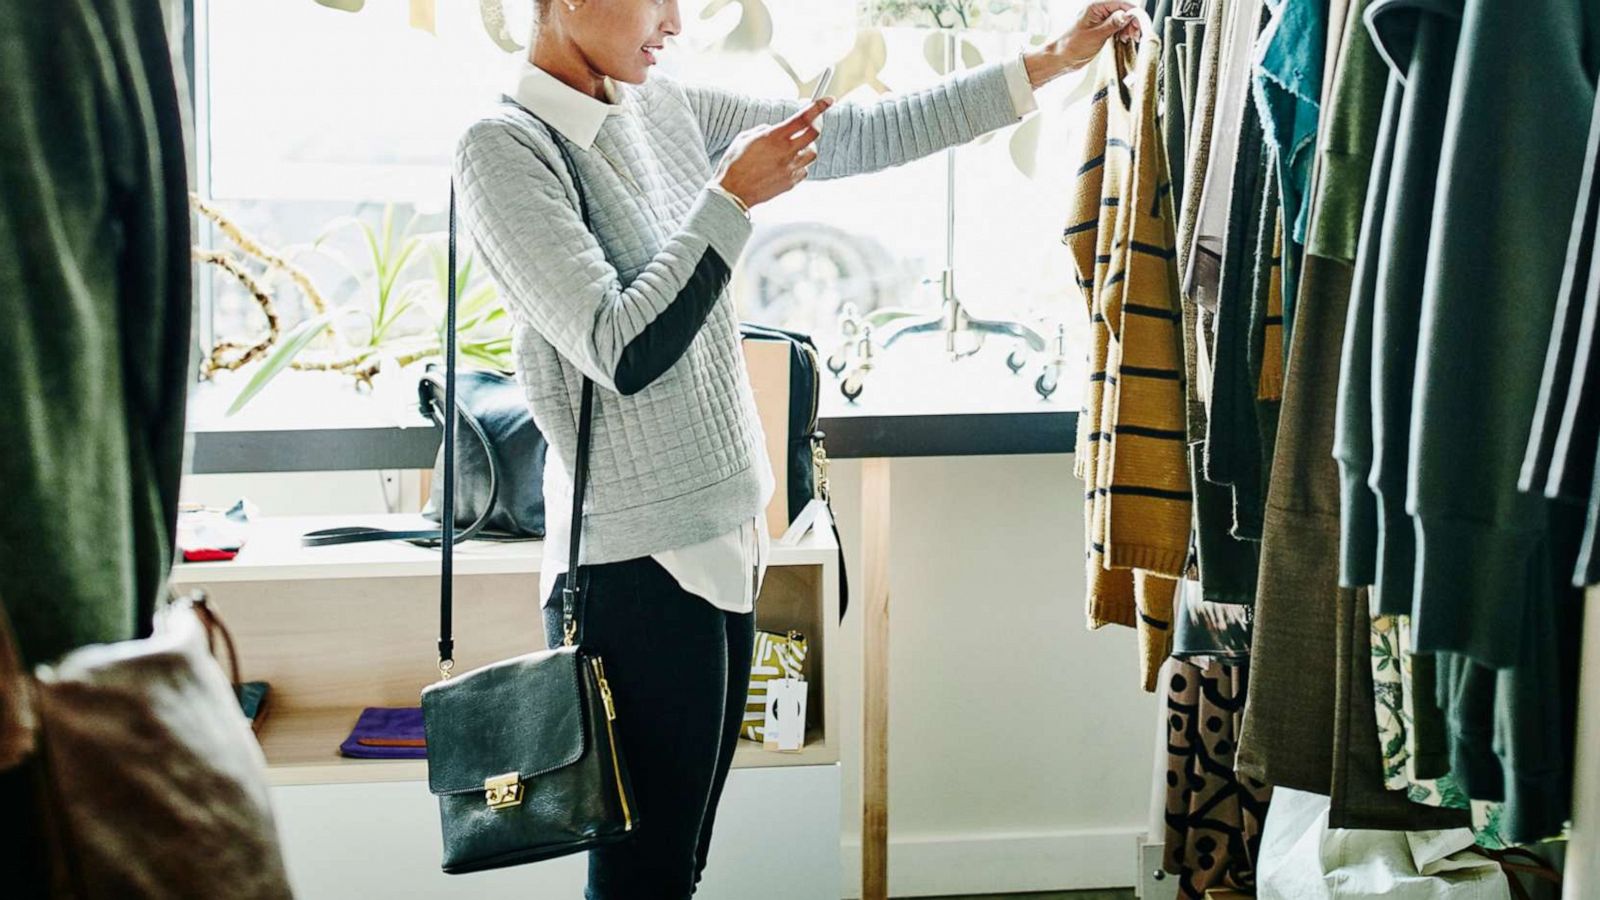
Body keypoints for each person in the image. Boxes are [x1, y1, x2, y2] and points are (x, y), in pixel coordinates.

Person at [453, 1, 1139, 896]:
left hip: (727, 534)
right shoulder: (505, 149)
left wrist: (1046, 62)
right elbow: (620, 347)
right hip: (633, 567)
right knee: (643, 873)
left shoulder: (654, 106)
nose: (672, 23)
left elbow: (852, 134)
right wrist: (731, 197)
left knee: (680, 860)